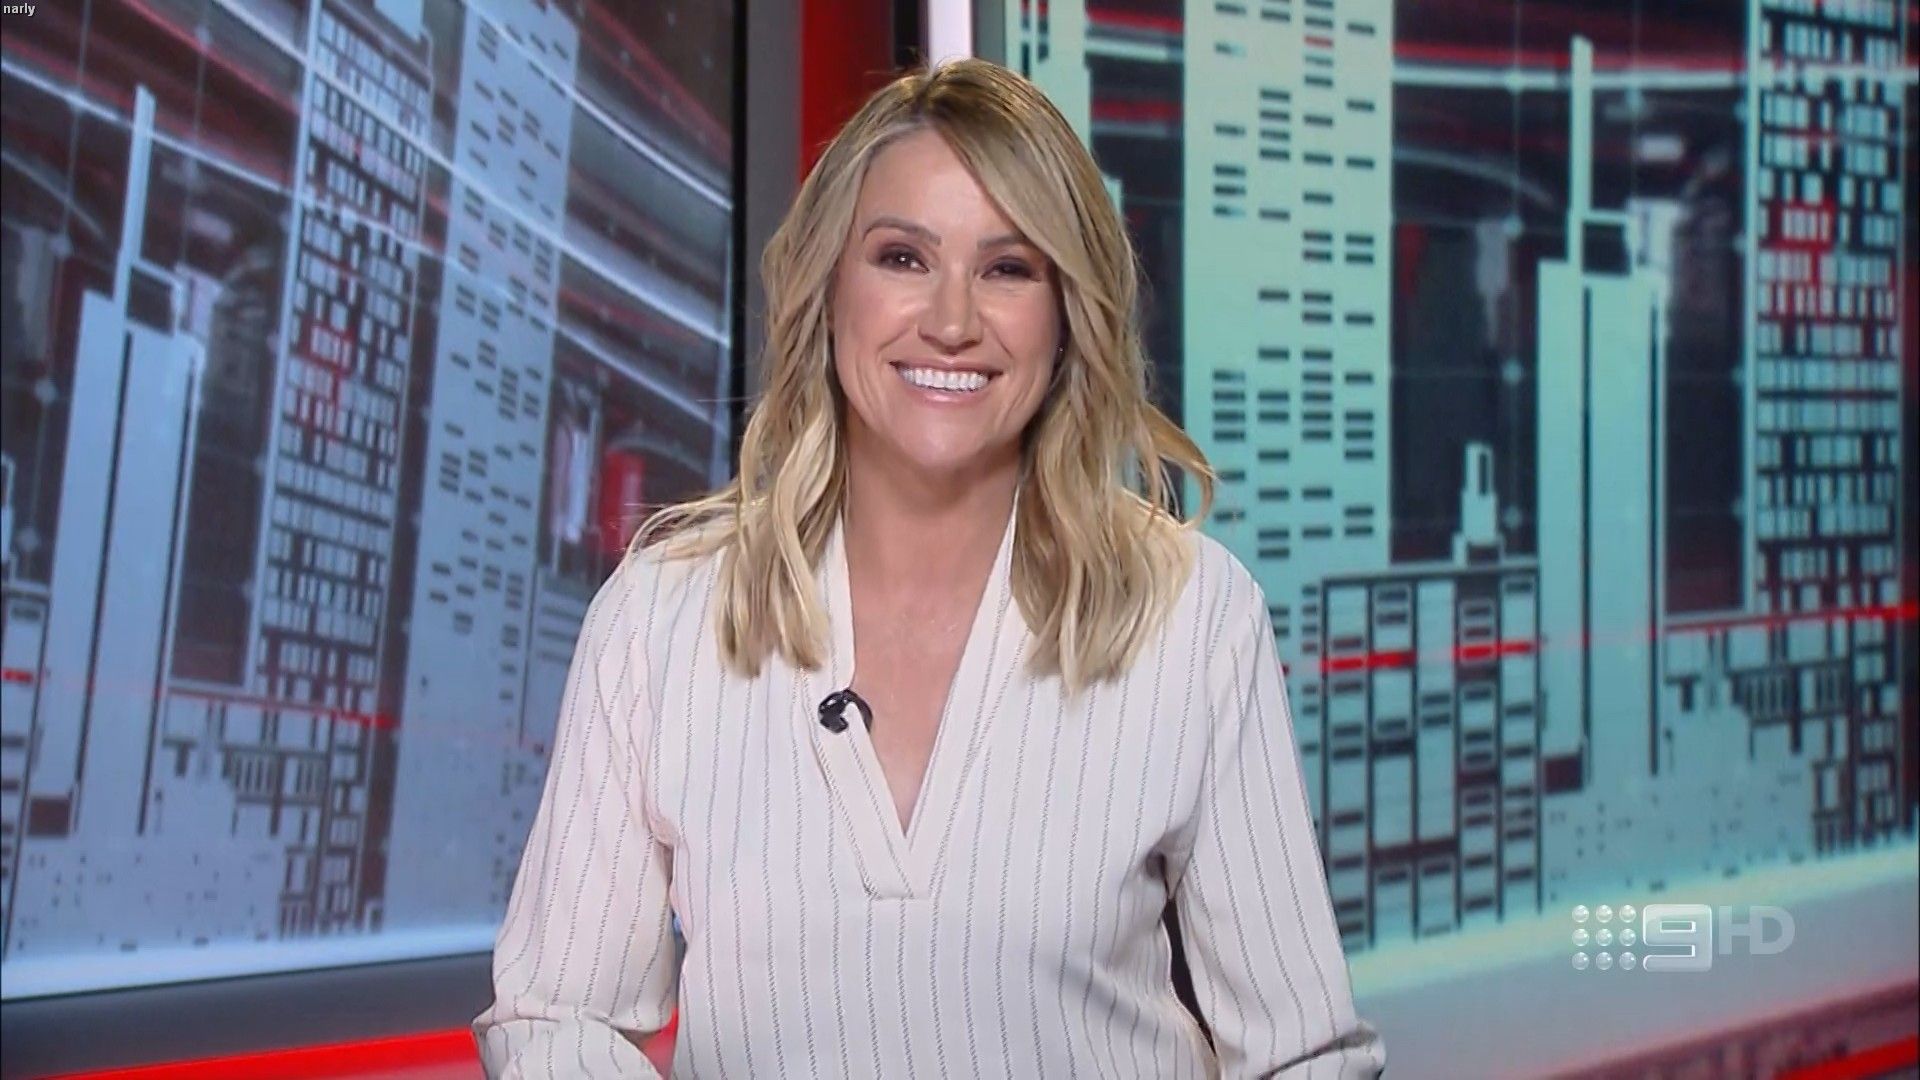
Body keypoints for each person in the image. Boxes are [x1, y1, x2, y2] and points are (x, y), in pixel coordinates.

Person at [473, 57, 1385, 1078]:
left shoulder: (1190, 615)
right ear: (830, 290)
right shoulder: (662, 617)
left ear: (1066, 314)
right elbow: (557, 1017)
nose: (952, 322)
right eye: (903, 257)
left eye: (1008, 268)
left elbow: (1305, 1054)